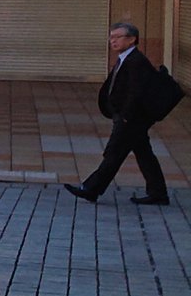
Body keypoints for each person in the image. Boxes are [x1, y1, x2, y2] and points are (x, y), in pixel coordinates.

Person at [67, 22, 169, 206]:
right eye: (111, 37)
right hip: (128, 117)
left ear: (132, 39)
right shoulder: (125, 58)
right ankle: (158, 192)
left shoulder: (136, 61)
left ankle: (91, 189)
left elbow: (135, 92)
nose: (112, 41)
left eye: (117, 37)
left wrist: (125, 116)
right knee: (144, 154)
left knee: (114, 153)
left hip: (131, 119)